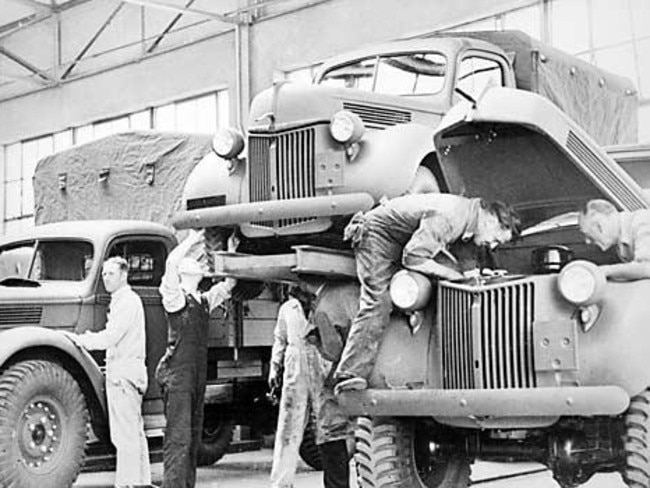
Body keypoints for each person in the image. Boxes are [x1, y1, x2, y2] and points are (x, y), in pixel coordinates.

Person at [334, 193, 520, 393]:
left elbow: (464, 258)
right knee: (379, 302)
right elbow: (413, 257)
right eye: (495, 239)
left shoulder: (469, 218)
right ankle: (350, 373)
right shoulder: (449, 218)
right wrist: (451, 274)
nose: (492, 246)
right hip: (376, 237)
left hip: (403, 240)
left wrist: (478, 278)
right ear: (490, 219)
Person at [156, 230, 237, 488]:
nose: (201, 266)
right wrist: (194, 237)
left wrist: (232, 251)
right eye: (196, 265)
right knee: (178, 439)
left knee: (191, 439)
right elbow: (170, 263)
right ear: (187, 272)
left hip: (194, 378)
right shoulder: (174, 298)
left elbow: (228, 286)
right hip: (178, 377)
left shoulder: (202, 301)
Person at [74, 256, 152, 488]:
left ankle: (127, 484)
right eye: (104, 274)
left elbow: (111, 336)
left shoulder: (126, 301)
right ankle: (140, 482)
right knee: (134, 433)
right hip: (128, 373)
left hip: (123, 375)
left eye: (111, 274)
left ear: (124, 275)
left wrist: (80, 340)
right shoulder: (124, 300)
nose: (106, 278)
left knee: (124, 436)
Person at [268, 285, 323, 488]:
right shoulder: (288, 308)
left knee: (329, 425)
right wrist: (274, 368)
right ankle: (282, 482)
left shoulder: (323, 303)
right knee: (289, 426)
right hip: (295, 366)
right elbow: (279, 339)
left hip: (320, 363)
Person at [307, 280, 360, 488]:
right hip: (370, 369)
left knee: (330, 432)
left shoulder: (323, 304)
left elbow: (332, 350)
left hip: (340, 378)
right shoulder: (355, 289)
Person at [579, 199, 650, 281]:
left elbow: (646, 267)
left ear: (600, 224)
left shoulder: (643, 221)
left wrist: (603, 271)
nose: (587, 241)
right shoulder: (623, 243)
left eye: (588, 235)